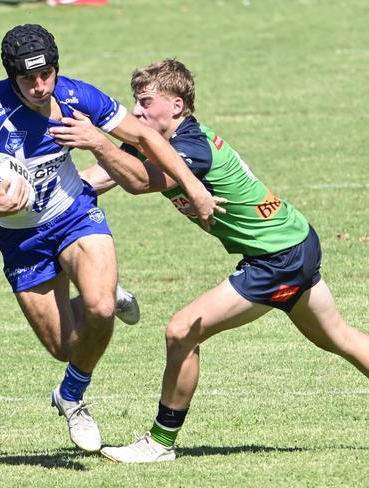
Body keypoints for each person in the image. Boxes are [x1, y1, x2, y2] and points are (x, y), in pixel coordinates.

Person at [49, 58, 369, 462]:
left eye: (146, 102)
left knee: (181, 331)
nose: (137, 112)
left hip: (278, 258)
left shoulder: (191, 149)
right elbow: (105, 175)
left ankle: (160, 444)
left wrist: (97, 140)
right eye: (135, 102)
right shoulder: (152, 140)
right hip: (292, 242)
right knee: (339, 338)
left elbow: (138, 181)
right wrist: (45, 197)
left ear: (177, 106)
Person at [0, 25, 222, 452]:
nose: (39, 86)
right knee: (62, 345)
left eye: (46, 74)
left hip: (74, 215)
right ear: (10, 76)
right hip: (22, 240)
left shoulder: (76, 96)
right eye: (27, 79)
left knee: (101, 307)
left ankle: (71, 397)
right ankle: (95, 299)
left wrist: (193, 187)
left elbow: (143, 136)